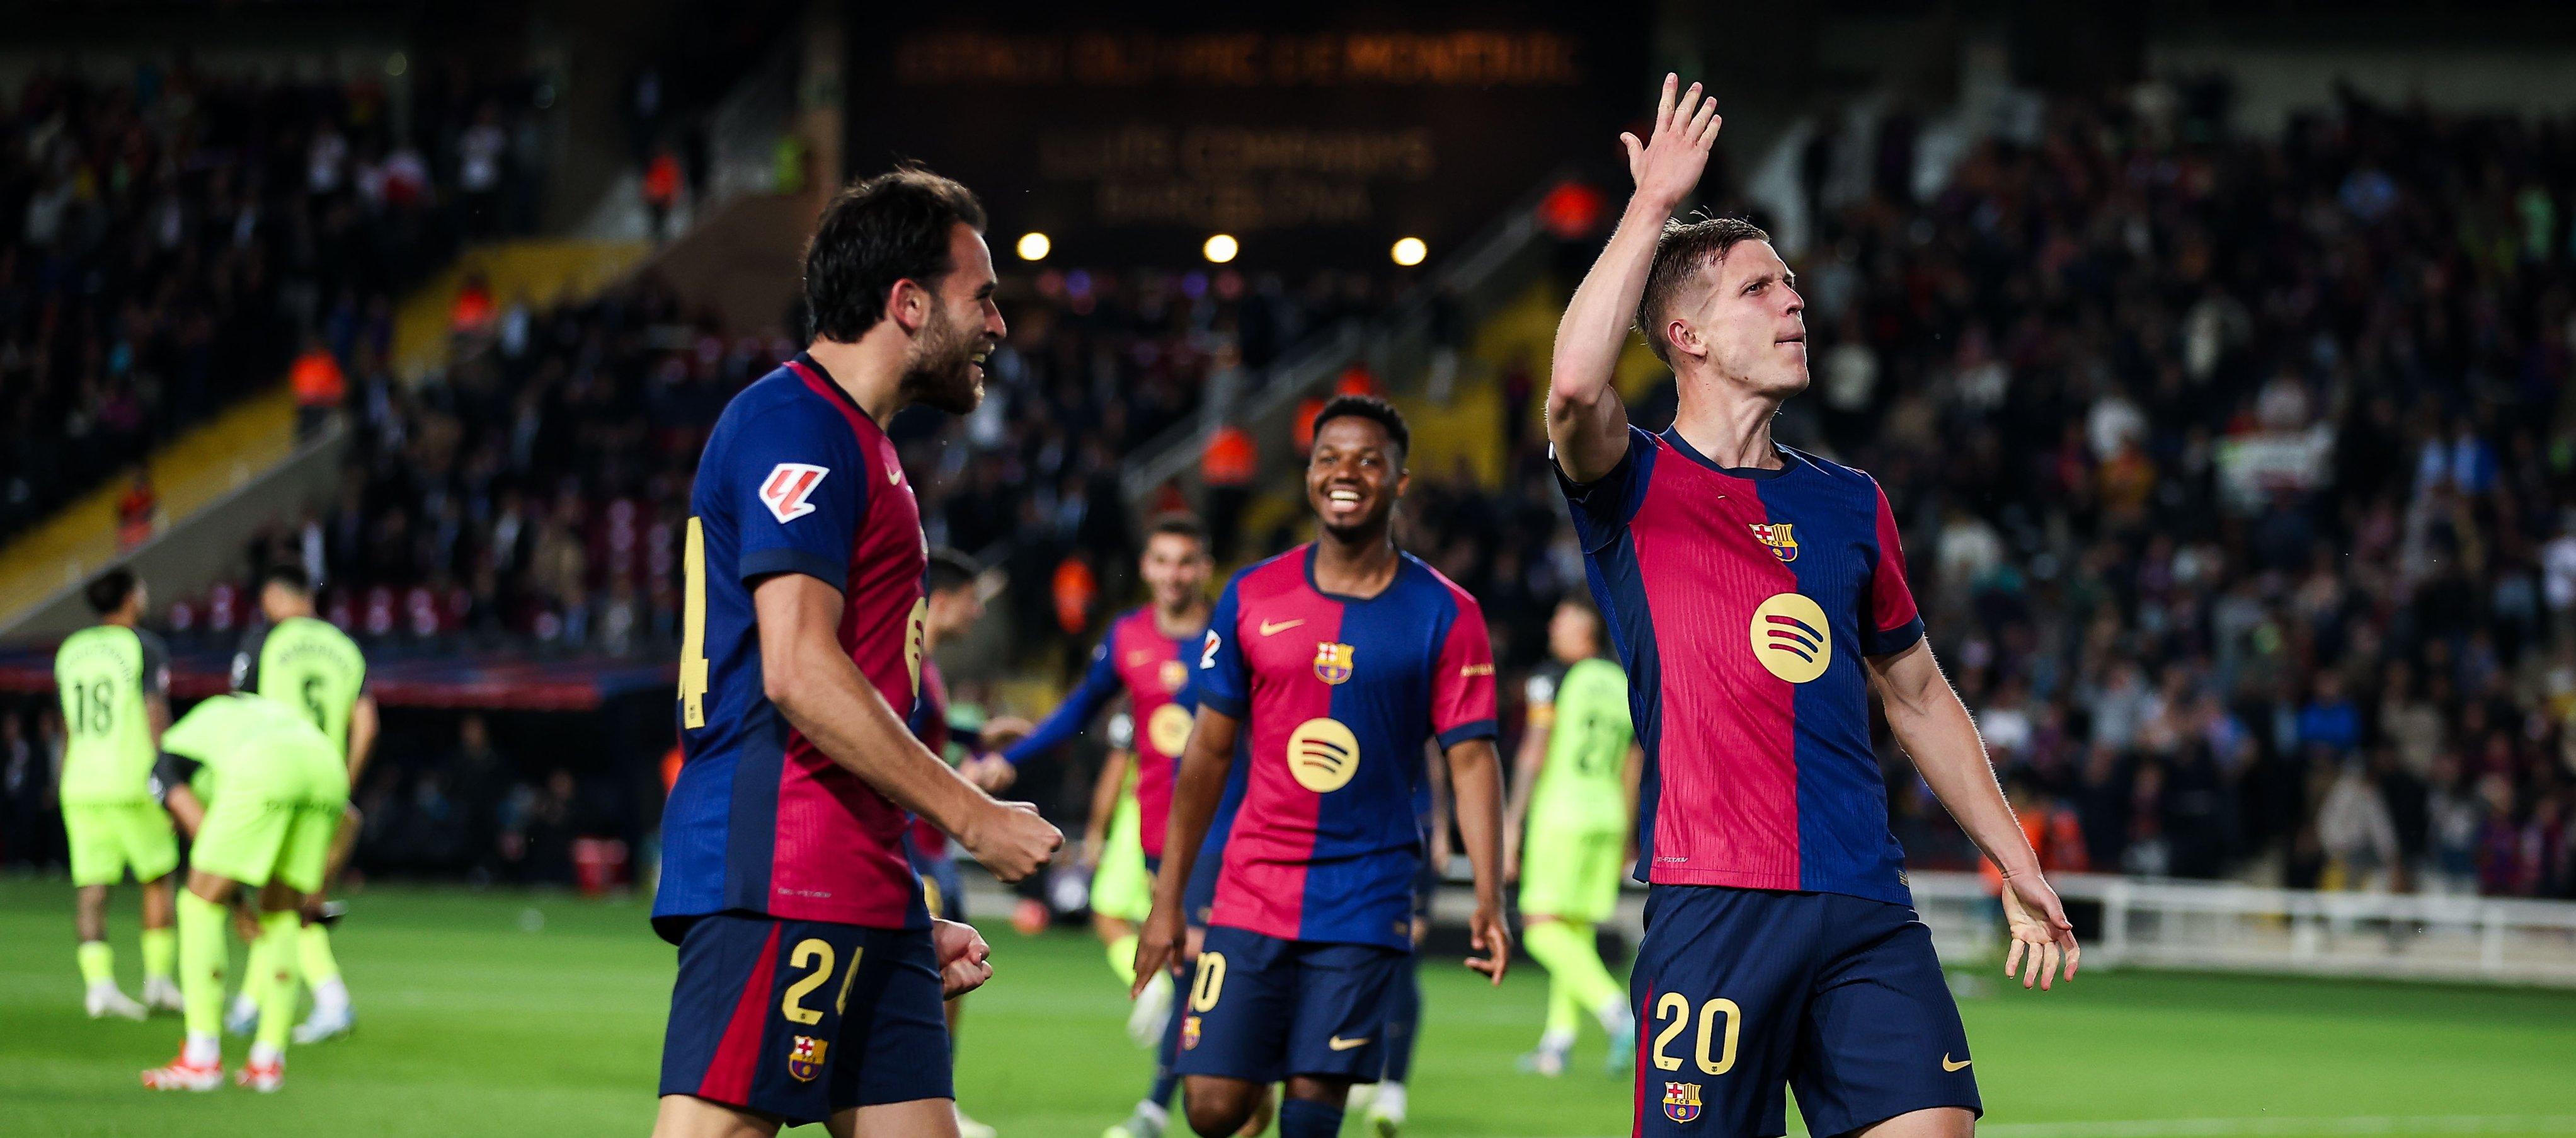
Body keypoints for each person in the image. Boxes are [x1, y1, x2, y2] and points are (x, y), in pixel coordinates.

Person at [1544, 75, 2080, 1138]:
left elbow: (1919, 696)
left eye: (1790, 284)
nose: (1793, 301)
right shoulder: (1632, 486)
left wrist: (2015, 863)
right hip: (1714, 907)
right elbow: (1568, 390)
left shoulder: (1847, 503)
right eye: (1757, 289)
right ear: (1685, 336)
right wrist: (1650, 206)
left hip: (1861, 901)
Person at [650, 166, 1061, 1138]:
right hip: (781, 865)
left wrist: (898, 910)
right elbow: (797, 668)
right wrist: (974, 815)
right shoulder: (797, 424)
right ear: (908, 303)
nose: (998, 326)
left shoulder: (856, 442)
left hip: (863, 879)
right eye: (983, 296)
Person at [1133, 396, 1512, 1138]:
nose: (1346, 474)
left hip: (1366, 891)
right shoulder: (1251, 596)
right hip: (1252, 883)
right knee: (1211, 1107)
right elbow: (1207, 752)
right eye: (1329, 458)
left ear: (1399, 482)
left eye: (1369, 460)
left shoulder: (1445, 611)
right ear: (1308, 476)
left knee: (1313, 1113)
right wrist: (1168, 900)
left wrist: (1490, 897)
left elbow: (1471, 760)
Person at [968, 514, 1217, 1138]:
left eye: (1185, 562)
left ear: (1204, 568)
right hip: (1161, 833)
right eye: (1162, 561)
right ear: (1146, 568)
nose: (1173, 574)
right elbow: (1079, 708)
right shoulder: (1129, 636)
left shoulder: (1230, 635)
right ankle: (1173, 1104)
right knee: (1193, 971)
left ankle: (1167, 1105)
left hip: (1226, 830)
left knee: (1201, 961)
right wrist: (1006, 759)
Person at [140, 693, 351, 1091]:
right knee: (283, 913)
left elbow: (201, 836)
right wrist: (320, 887)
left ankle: (201, 1058)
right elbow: (351, 819)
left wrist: (234, 903)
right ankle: (268, 1062)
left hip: (269, 769)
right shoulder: (241, 718)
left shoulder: (167, 761)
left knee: (197, 903)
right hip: (327, 768)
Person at [222, 565, 377, 1045]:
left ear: (272, 595)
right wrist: (342, 783)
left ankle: (329, 1000)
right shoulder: (344, 647)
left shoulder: (264, 642)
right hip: (326, 783)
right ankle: (251, 1003)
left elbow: (238, 713)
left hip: (279, 778)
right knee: (292, 896)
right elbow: (367, 723)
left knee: (283, 899)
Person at [1501, 596, 1640, 1077]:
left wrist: (1510, 819)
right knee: (1573, 930)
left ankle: (1615, 1013)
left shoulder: (1551, 679)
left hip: (1562, 812)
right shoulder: (1620, 682)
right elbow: (1633, 761)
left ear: (1585, 630)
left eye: (1563, 620)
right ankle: (1555, 1046)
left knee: (1540, 927)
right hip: (1606, 816)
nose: (1553, 627)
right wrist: (1627, 830)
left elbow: (1533, 751)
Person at [906, 548, 1017, 1138]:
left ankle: (936, 1101)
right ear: (942, 601)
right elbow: (895, 744)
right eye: (972, 601)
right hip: (912, 846)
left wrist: (974, 734)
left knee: (950, 980)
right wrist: (966, 787)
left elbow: (926, 732)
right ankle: (920, 1103)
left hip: (931, 844)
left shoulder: (928, 662)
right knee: (923, 983)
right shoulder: (909, 657)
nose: (977, 613)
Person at [53, 567, 180, 1021]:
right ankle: (158, 981)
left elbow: (66, 723)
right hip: (130, 778)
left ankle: (99, 988)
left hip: (80, 782)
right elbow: (154, 714)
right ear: (131, 596)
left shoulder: (71, 650)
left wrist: (62, 774)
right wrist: (168, 778)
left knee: (91, 888)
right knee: (157, 876)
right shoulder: (142, 645)